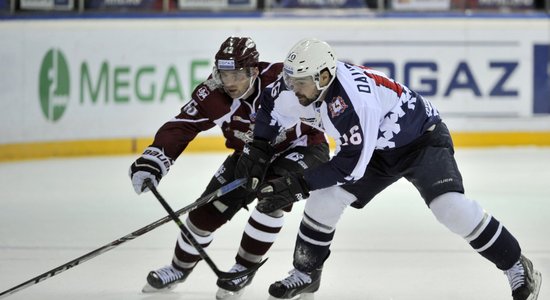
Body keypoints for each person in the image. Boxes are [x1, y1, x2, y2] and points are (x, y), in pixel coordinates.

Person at [241, 38, 542, 300]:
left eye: (300, 83)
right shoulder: (295, 85)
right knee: (325, 200)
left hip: (420, 141)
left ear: (323, 76)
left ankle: (517, 265)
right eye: (291, 81)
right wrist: (259, 149)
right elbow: (269, 108)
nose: (293, 89)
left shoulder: (354, 103)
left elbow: (350, 167)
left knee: (449, 207)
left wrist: (295, 185)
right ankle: (306, 273)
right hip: (375, 148)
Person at [128, 36, 329, 299]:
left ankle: (244, 269)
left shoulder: (283, 80)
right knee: (203, 215)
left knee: (272, 199)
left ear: (254, 71)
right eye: (224, 73)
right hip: (250, 155)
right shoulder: (213, 94)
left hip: (303, 147)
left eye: (237, 74)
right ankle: (178, 268)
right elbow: (181, 125)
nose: (230, 82)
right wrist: (154, 159)